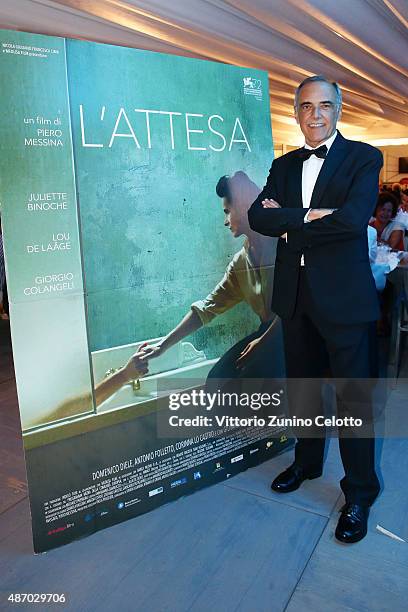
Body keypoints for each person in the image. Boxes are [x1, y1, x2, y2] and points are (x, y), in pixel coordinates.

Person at [248, 75, 383, 544]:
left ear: (339, 109)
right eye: (306, 106)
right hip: (294, 295)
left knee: (352, 402)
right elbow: (257, 217)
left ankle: (360, 493)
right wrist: (307, 217)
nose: (316, 115)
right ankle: (305, 463)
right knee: (304, 390)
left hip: (343, 299)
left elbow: (349, 223)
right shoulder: (283, 165)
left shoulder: (365, 157)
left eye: (325, 105)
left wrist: (287, 223)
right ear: (296, 111)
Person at [140, 171, 285, 382]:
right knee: (218, 379)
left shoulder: (283, 242)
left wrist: (263, 342)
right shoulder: (240, 263)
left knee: (257, 383)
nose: (225, 221)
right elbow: (206, 309)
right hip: (267, 335)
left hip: (294, 333)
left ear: (245, 206)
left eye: (227, 212)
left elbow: (299, 303)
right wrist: (162, 347)